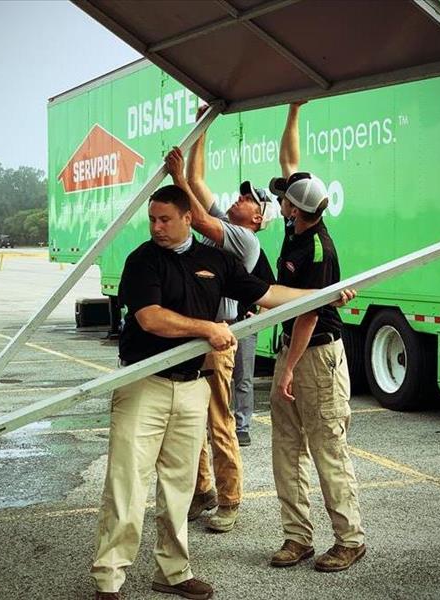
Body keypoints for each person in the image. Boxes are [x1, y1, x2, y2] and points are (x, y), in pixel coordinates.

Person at [90, 183, 355, 599]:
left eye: (165, 220)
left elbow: (269, 294)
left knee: (179, 488)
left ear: (187, 219)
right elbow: (151, 318)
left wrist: (324, 297)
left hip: (193, 386)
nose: (156, 228)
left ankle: (173, 572)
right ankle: (109, 578)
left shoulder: (215, 260)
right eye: (152, 220)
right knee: (127, 483)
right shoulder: (143, 261)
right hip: (145, 384)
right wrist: (209, 329)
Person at [267, 102, 366, 573]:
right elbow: (290, 160)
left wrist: (286, 368)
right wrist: (293, 110)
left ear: (297, 209)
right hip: (293, 349)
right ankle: (297, 538)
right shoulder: (296, 221)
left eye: (286, 199)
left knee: (327, 449)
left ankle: (350, 539)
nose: (280, 201)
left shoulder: (318, 249)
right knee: (286, 447)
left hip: (317, 356)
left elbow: (307, 314)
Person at [163, 137, 275, 535]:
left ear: (259, 218)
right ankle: (203, 489)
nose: (240, 198)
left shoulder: (243, 239)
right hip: (190, 339)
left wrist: (177, 179)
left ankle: (229, 500)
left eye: (249, 199)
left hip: (216, 342)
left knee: (219, 422)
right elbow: (198, 178)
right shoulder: (225, 226)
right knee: (187, 421)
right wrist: (202, 131)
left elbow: (197, 210)